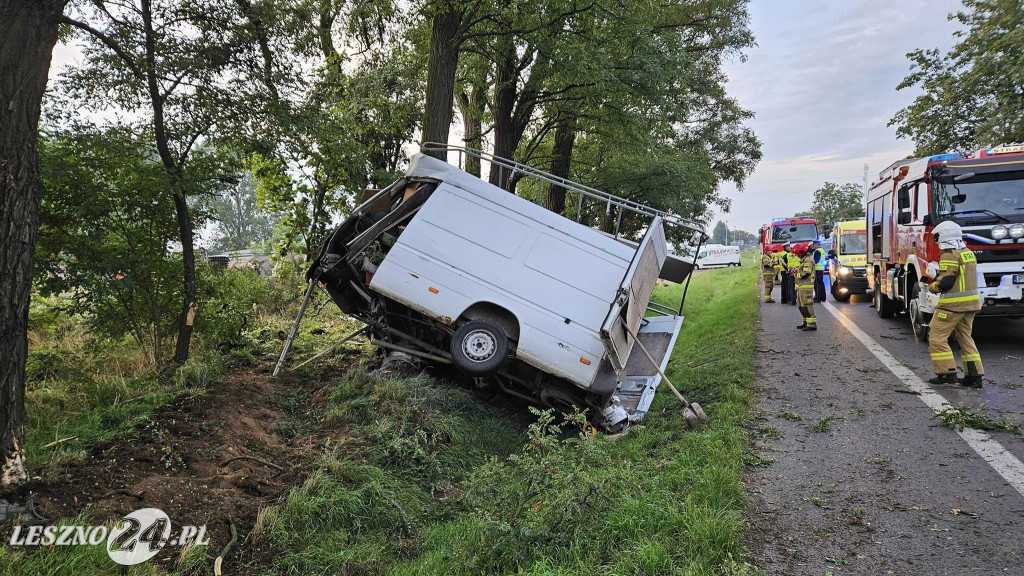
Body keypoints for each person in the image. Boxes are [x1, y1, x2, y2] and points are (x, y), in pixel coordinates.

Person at [926, 221, 983, 387]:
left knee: (936, 337)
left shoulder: (949, 254)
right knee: (965, 338)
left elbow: (947, 281)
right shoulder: (968, 253)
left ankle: (946, 373)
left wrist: (932, 286)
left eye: (936, 237)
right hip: (971, 305)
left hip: (951, 306)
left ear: (943, 236)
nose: (936, 241)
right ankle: (974, 376)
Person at [794, 245, 817, 331]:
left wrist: (797, 275)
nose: (797, 256)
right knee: (801, 305)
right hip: (801, 286)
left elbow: (807, 272)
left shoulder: (808, 260)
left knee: (807, 305)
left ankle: (812, 324)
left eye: (798, 254)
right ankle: (806, 322)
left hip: (806, 287)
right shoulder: (804, 260)